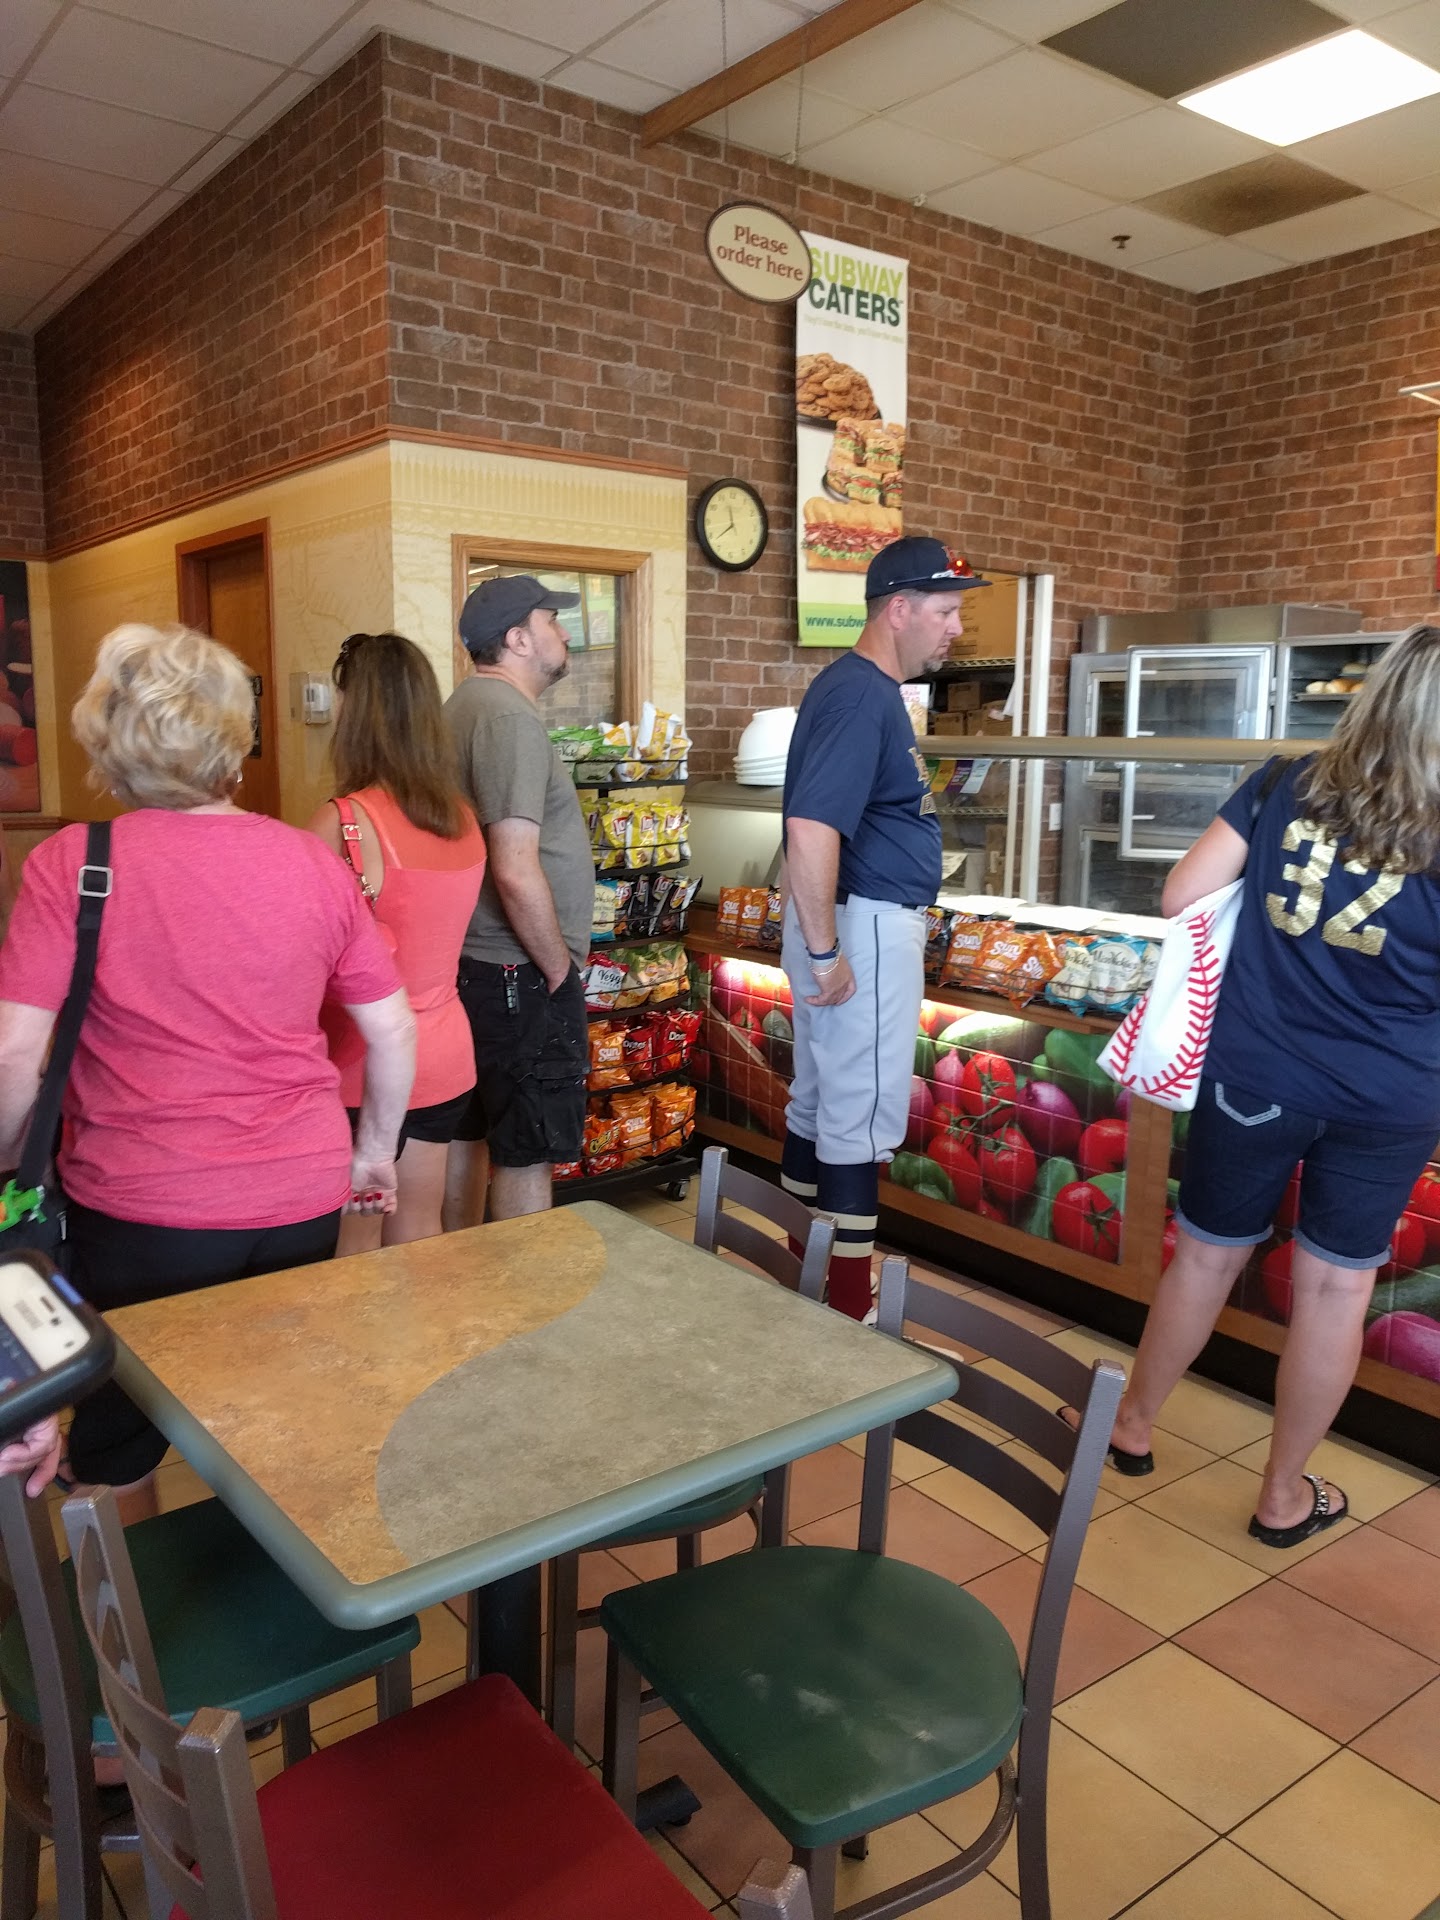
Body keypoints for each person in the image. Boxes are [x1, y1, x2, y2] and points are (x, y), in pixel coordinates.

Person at [0, 623, 415, 1522]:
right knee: (270, 1401)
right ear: (234, 736)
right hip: (300, 1194)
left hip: (143, 1203)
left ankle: (138, 1599)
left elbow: (13, 1055)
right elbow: (390, 1029)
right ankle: (272, 1568)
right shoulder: (311, 861)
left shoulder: (73, 863)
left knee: (120, 1426)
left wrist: (6, 1162)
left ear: (107, 739)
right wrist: (374, 1153)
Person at [1092, 623, 1440, 1546]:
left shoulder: (1288, 781)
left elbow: (1180, 895)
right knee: (1335, 1292)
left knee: (1206, 1256)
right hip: (1393, 1096)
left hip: (1257, 1072)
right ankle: (1283, 1497)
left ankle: (1131, 1428)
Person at [780, 537, 988, 1317]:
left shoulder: (857, 689)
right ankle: (846, 1310)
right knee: (859, 1119)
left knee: (819, 1102)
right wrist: (826, 952)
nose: (956, 628)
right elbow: (810, 829)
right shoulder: (862, 696)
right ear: (898, 609)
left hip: (846, 920)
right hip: (861, 924)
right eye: (946, 610)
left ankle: (802, 1280)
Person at [308, 632, 486, 1250]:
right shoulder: (462, 818)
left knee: (353, 1252)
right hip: (444, 1052)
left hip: (360, 1061)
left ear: (354, 710)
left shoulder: (343, 822)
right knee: (418, 1234)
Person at [442, 575, 592, 1225]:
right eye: (551, 620)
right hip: (516, 971)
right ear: (517, 639)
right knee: (527, 1151)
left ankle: (462, 1277)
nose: (563, 633)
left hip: (477, 967)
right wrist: (558, 971)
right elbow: (514, 866)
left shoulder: (465, 707)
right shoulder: (507, 718)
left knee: (469, 1137)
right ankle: (524, 1287)